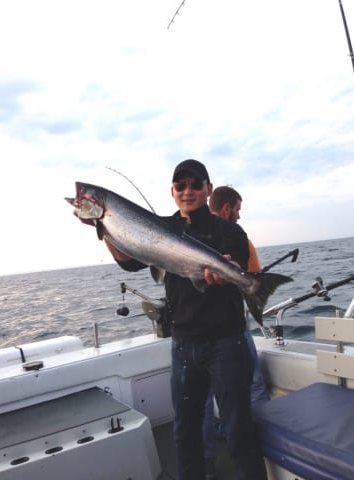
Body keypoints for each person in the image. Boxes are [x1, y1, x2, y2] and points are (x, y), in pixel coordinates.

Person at [86, 159, 268, 480]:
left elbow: (235, 261)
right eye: (180, 186)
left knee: (239, 431)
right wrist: (105, 227)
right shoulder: (161, 228)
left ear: (208, 189)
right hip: (183, 345)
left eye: (196, 185)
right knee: (186, 433)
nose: (188, 191)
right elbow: (130, 263)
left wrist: (228, 273)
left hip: (227, 342)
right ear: (172, 191)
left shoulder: (229, 229)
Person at [203, 186, 270, 479]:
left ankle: (206, 458)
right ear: (228, 207)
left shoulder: (191, 235)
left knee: (202, 399)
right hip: (231, 329)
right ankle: (265, 440)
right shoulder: (240, 237)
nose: (239, 215)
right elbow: (254, 281)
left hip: (193, 333)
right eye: (238, 209)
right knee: (253, 382)